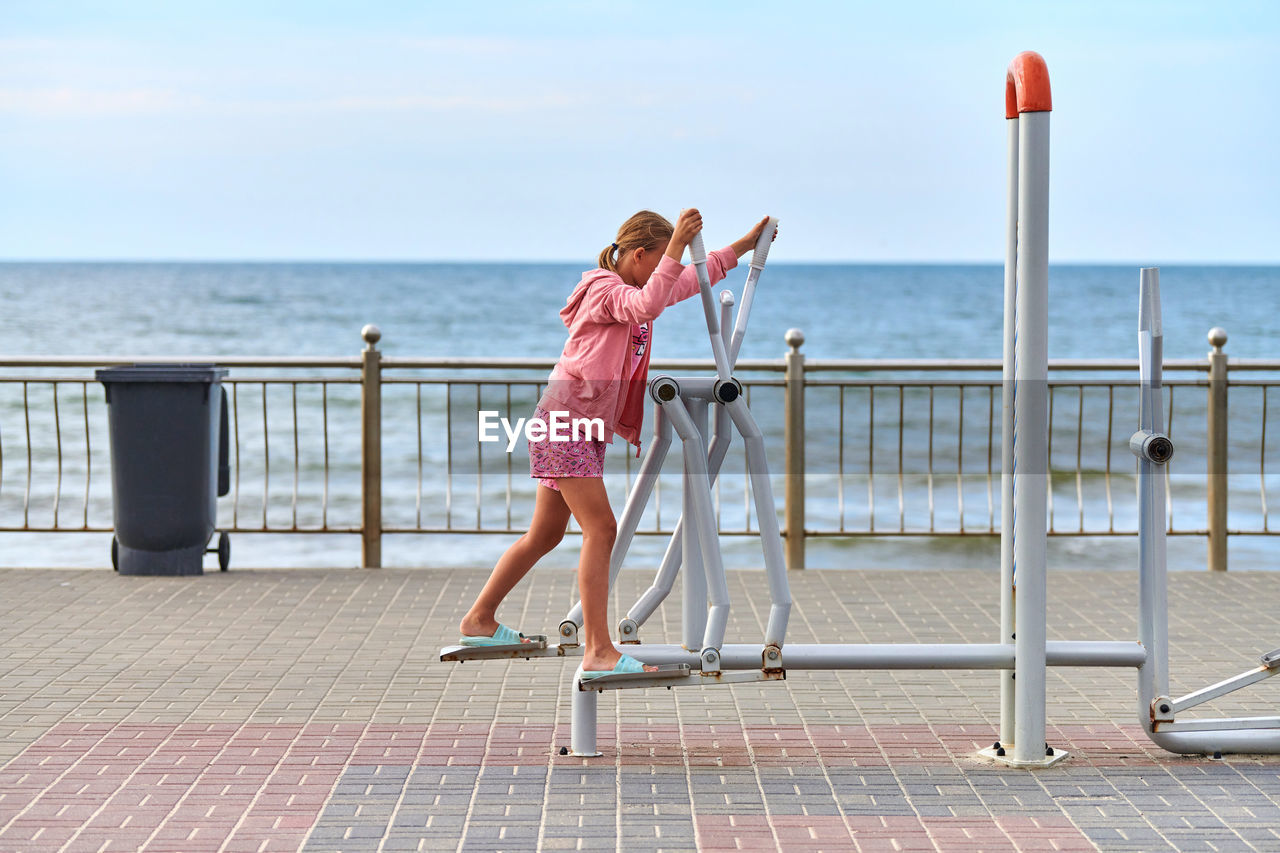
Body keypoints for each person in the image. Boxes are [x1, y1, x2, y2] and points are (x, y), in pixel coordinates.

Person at [458, 208, 775, 678]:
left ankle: (479, 619)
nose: (663, 276)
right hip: (567, 422)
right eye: (660, 260)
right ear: (639, 254)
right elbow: (645, 305)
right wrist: (675, 250)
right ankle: (598, 650)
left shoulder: (640, 285)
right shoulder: (607, 292)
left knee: (545, 534)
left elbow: (685, 283)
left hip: (577, 426)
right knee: (602, 530)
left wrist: (744, 245)